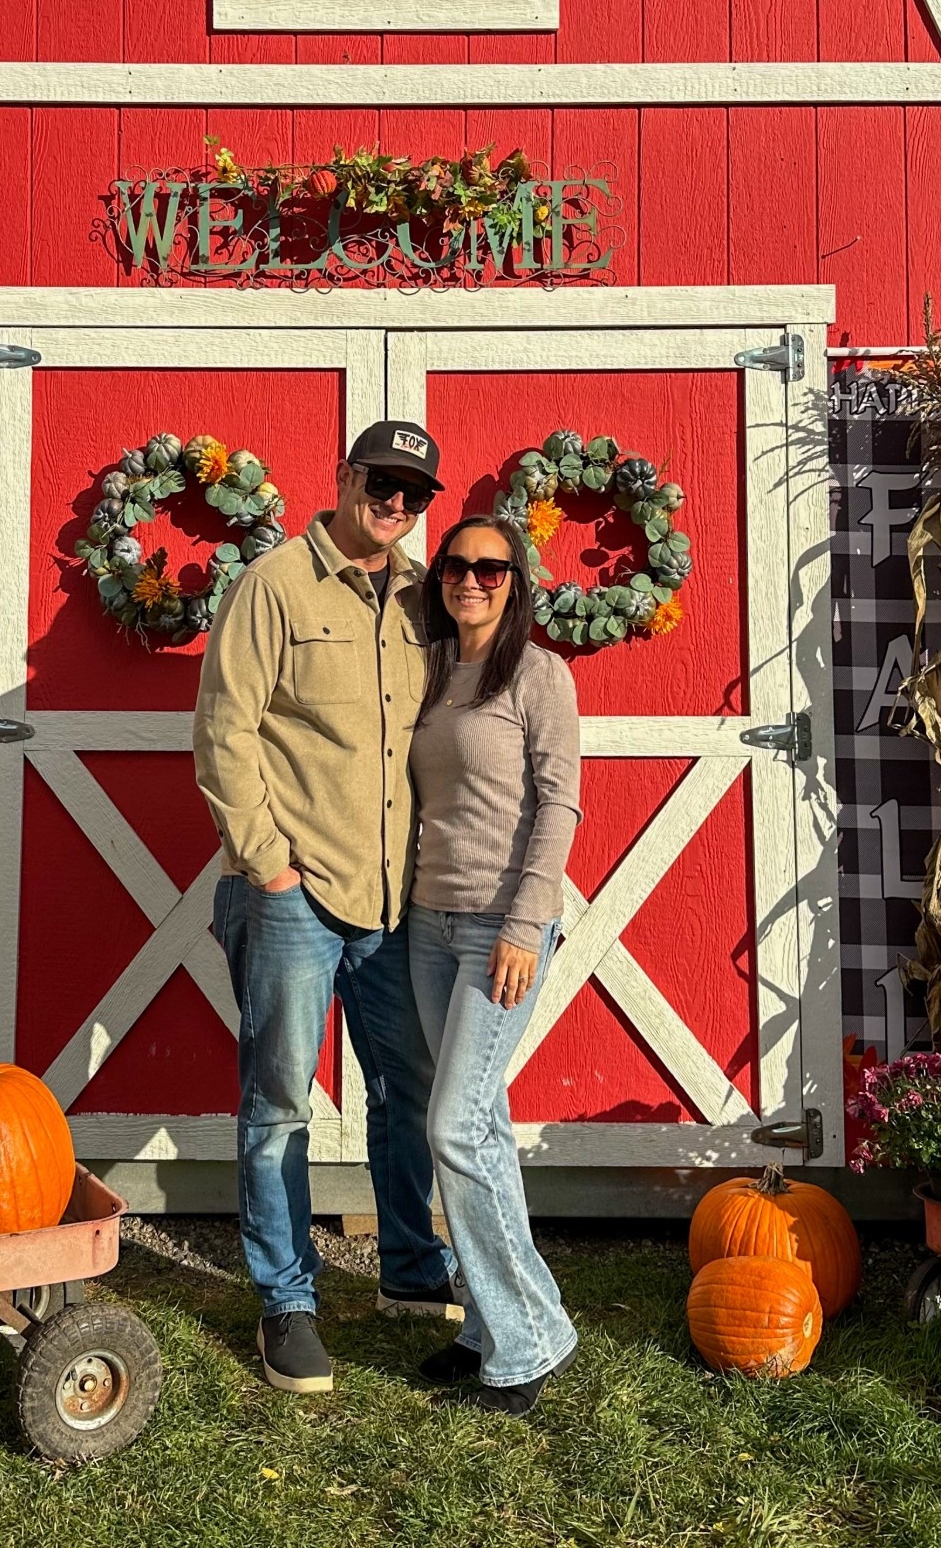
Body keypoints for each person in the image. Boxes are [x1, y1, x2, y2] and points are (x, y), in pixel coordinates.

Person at [194, 421, 462, 1396]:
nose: (395, 501)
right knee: (277, 1104)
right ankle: (287, 1302)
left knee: (408, 1083)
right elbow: (225, 728)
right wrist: (268, 864)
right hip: (295, 893)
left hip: (394, 894)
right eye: (381, 481)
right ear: (343, 476)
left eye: (413, 491)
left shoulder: (426, 596)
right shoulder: (274, 585)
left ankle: (410, 1266)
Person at [407, 513, 582, 1417]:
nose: (470, 579)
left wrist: (526, 921)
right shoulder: (432, 670)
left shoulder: (538, 674)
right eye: (456, 565)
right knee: (479, 1129)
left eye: (491, 568)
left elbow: (560, 807)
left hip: (500, 932)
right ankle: (494, 1322)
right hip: (429, 925)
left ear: (516, 582)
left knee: (453, 1128)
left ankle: (524, 1347)